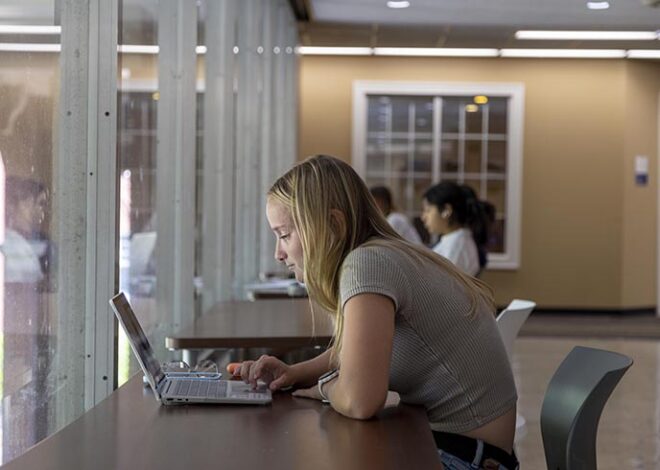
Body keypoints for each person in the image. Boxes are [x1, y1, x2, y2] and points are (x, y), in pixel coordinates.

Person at [234, 155, 518, 470]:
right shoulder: (382, 253)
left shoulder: (366, 264)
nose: (278, 253)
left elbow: (360, 401)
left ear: (333, 224)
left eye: (285, 235)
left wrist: (324, 388)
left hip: (463, 458)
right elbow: (356, 349)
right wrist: (298, 372)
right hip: (467, 448)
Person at [421, 182, 480, 277]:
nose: (423, 217)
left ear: (446, 211)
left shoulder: (456, 247)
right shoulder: (453, 240)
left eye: (428, 210)